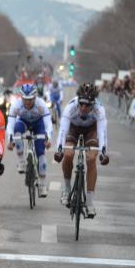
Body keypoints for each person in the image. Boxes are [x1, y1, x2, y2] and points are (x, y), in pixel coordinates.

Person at [54, 83, 109, 216]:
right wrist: (59, 149)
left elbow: (102, 132)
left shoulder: (99, 110)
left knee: (91, 159)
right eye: (81, 103)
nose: (83, 108)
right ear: (78, 100)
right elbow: (63, 131)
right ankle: (67, 190)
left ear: (93, 103)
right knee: (67, 155)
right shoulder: (70, 108)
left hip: (91, 131)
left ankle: (89, 202)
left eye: (88, 105)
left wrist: (103, 152)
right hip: (73, 128)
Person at [5, 83, 53, 197]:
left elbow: (48, 122)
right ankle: (21, 162)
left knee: (40, 152)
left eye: (30, 99)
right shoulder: (16, 105)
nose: (27, 102)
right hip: (24, 122)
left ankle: (42, 185)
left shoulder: (41, 104)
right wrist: (10, 139)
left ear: (35, 97)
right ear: (21, 97)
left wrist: (48, 137)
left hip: (38, 124)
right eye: (25, 99)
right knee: (16, 130)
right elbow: (10, 124)